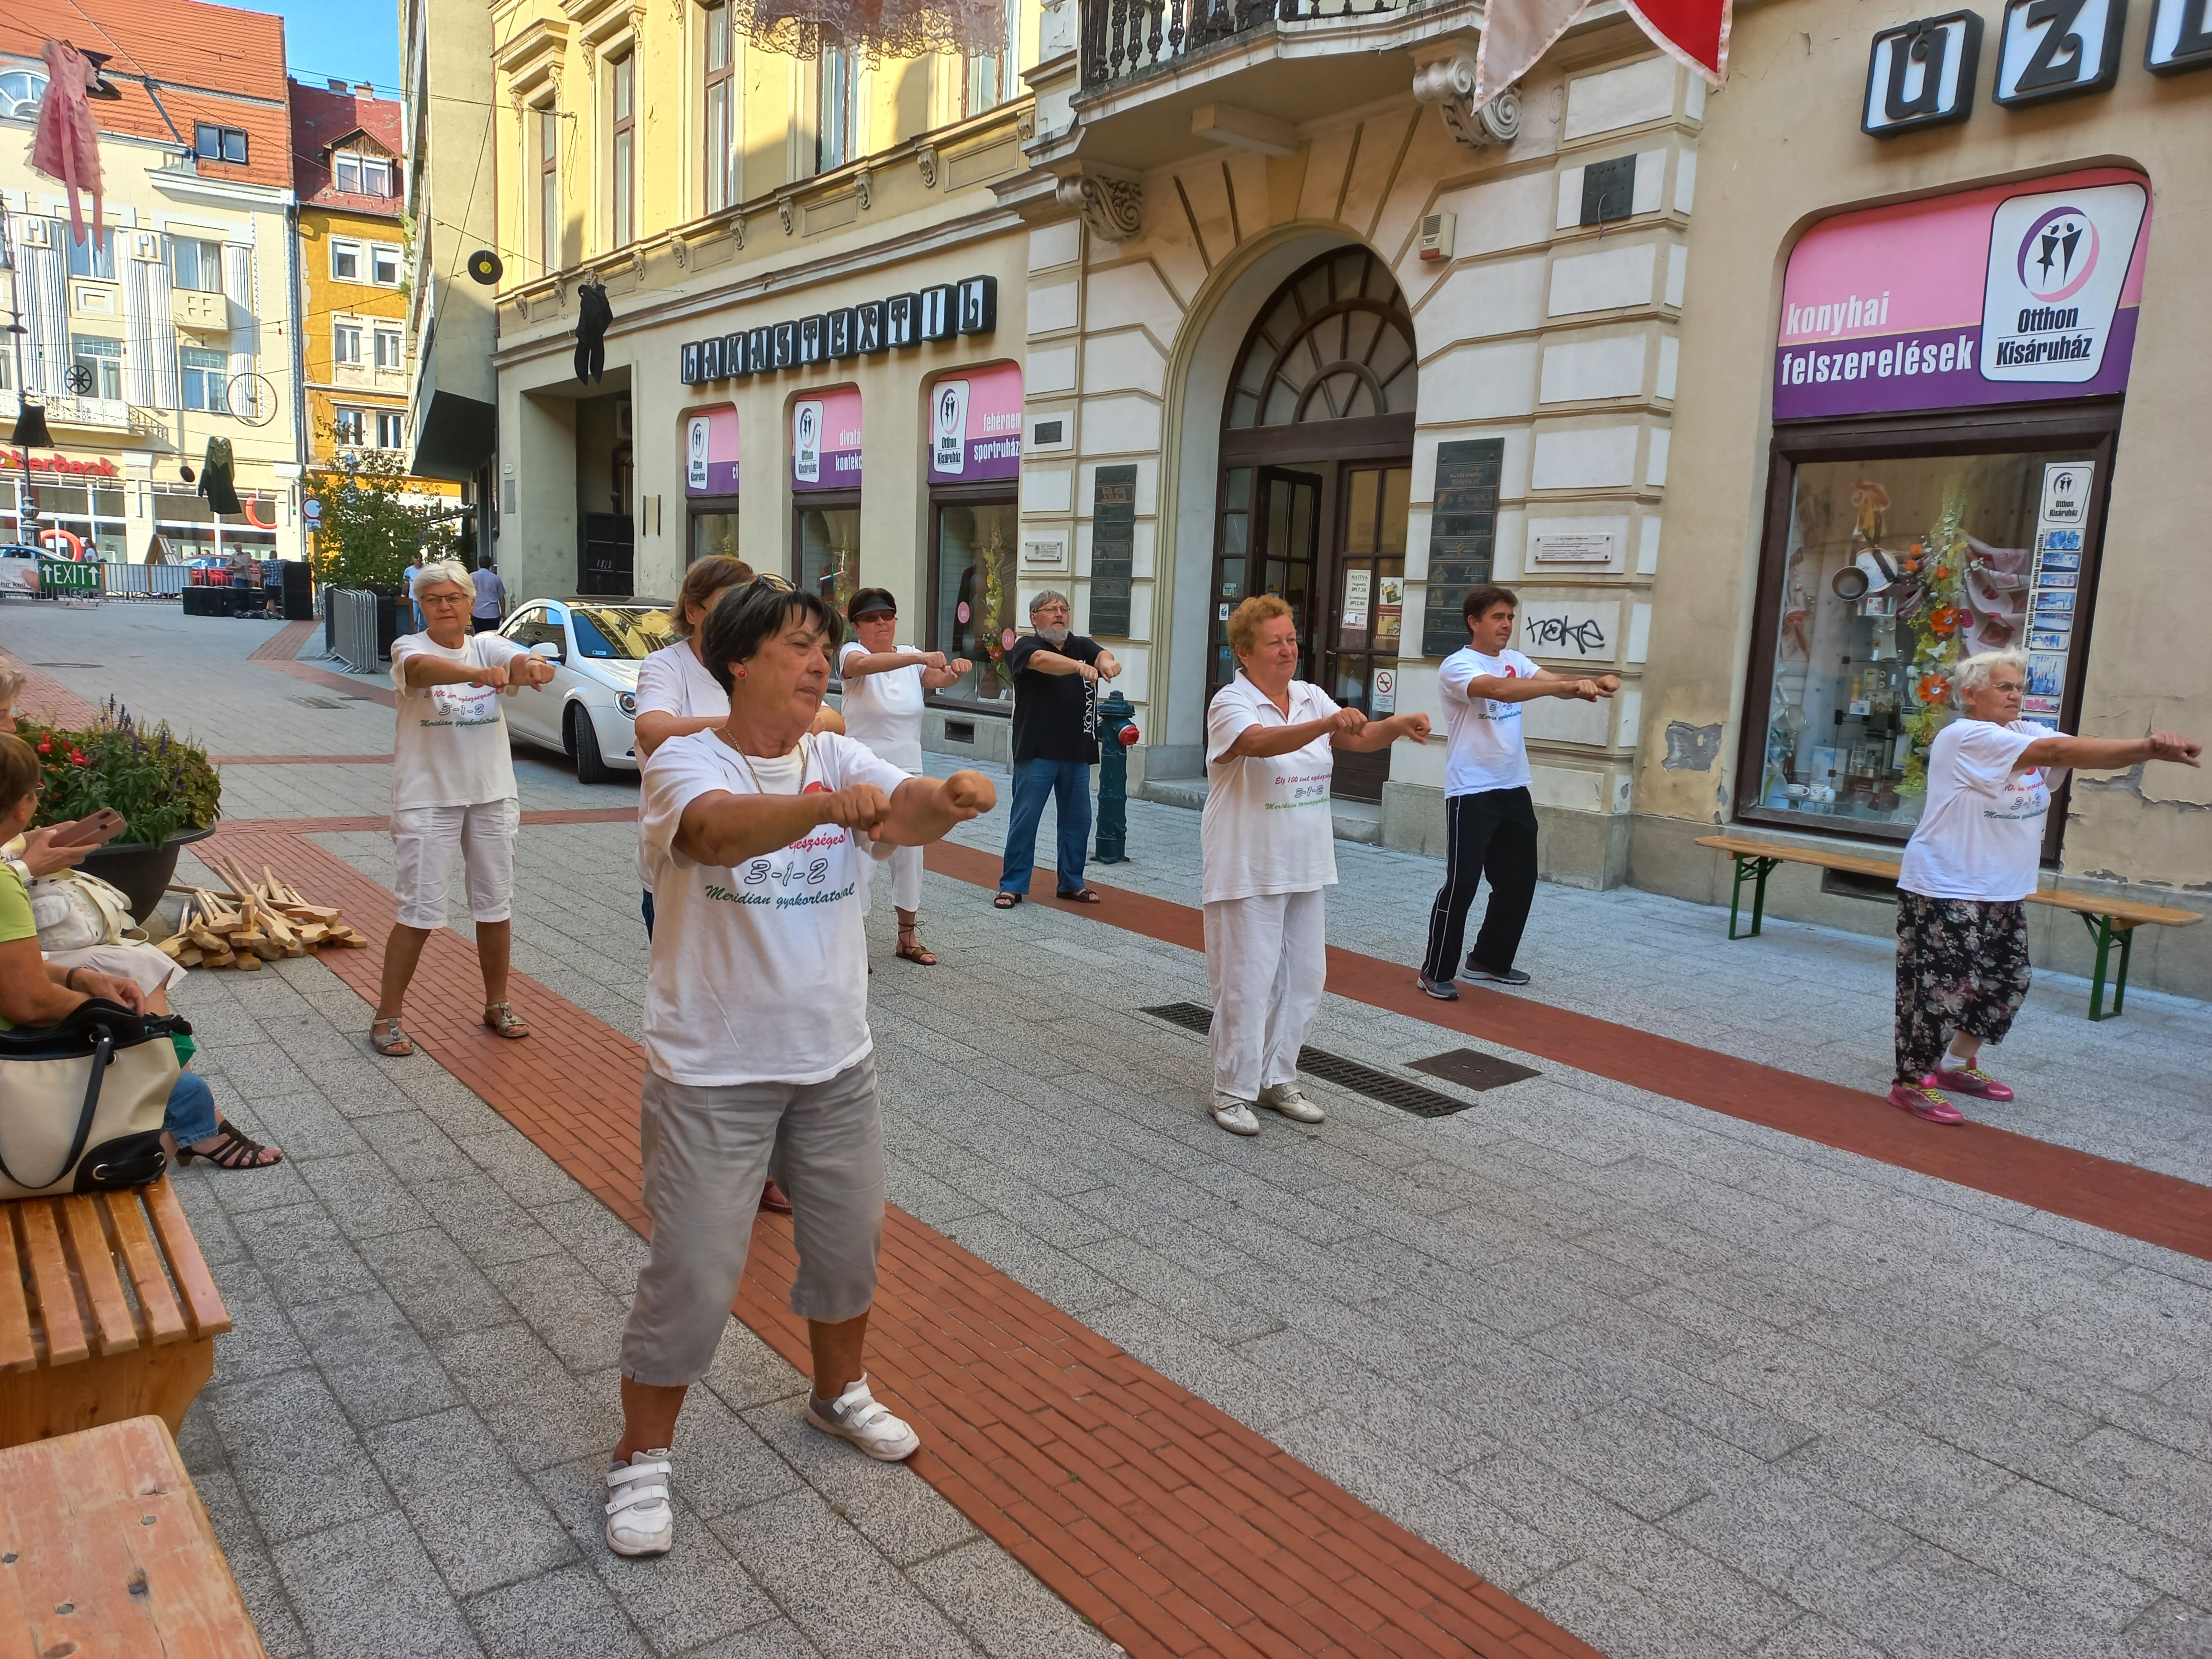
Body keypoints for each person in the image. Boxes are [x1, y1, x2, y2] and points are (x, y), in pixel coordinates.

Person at [608, 581, 995, 1557]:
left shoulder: (835, 751)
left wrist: (946, 800)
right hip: (711, 1068)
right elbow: (711, 833)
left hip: (833, 1060)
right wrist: (821, 810)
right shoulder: (686, 758)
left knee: (846, 1245)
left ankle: (837, 1393)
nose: (820, 661)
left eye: (824, 646)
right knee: (694, 1270)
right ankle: (641, 1455)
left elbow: (900, 809)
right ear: (736, 660)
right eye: (797, 645)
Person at [1888, 650, 2201, 1123]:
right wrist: (2149, 746)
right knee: (1944, 989)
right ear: (1970, 694)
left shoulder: (2024, 731)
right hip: (1947, 884)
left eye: (2019, 687)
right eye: (2004, 687)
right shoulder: (1965, 736)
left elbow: (2077, 750)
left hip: (2003, 888)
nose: (2016, 695)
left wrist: (2149, 751)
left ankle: (1953, 1065)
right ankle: (1912, 1081)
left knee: (2007, 981)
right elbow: (2057, 755)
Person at [1203, 597, 1429, 1135]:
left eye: (1291, 639)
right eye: (1275, 642)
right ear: (1244, 652)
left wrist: (1395, 724)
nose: (1288, 650)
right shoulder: (1231, 702)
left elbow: (1358, 735)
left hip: (1305, 863)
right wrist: (1325, 723)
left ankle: (1276, 1078)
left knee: (1305, 980)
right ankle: (1231, 1090)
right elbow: (1256, 744)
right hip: (1248, 866)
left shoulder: (1309, 696)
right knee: (1247, 984)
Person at [0, 733, 280, 1169]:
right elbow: (29, 1003)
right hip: (12, 1056)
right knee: (164, 1066)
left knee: (143, 996)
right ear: (23, 806)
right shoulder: (4, 886)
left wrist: (80, 979)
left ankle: (188, 1126)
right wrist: (112, 1016)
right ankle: (182, 1134)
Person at [632, 554, 795, 1216]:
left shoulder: (755, 661)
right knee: (697, 1022)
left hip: (764, 872)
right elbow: (650, 731)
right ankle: (687, 1164)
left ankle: (762, 1166)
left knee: (766, 1015)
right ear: (694, 609)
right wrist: (738, 732)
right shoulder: (667, 668)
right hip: (686, 875)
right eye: (730, 601)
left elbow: (821, 723)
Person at [370, 559, 557, 1057]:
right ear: (421, 606)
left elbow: (517, 661)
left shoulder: (487, 644)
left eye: (454, 598)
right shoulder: (409, 647)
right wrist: (478, 675)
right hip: (428, 797)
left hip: (492, 793)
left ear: (472, 603)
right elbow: (420, 672)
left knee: (496, 906)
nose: (445, 607)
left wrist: (533, 669)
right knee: (419, 912)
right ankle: (388, 1016)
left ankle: (498, 1004)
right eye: (433, 600)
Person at [1416, 585, 1617, 1000]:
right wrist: (1561, 687)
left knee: (1519, 880)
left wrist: (1588, 683)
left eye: (1510, 617)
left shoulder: (1516, 661)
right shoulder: (1458, 666)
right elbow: (1498, 690)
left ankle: (1488, 960)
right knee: (1463, 884)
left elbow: (1551, 683)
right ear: (1474, 622)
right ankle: (1435, 971)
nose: (1507, 624)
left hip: (1513, 786)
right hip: (1472, 789)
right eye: (1498, 617)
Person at [837, 587, 971, 965]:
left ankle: (907, 938)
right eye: (871, 618)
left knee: (911, 855)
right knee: (862, 857)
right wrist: (920, 656)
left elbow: (939, 677)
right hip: (863, 772)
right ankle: (851, 943)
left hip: (909, 771)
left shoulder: (911, 658)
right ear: (857, 626)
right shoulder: (851, 653)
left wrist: (957, 670)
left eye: (887, 616)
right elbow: (864, 667)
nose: (881, 623)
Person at [995, 591, 1119, 908]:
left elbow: (1101, 654)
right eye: (1051, 609)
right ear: (1035, 617)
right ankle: (1013, 885)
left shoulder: (1080, 645)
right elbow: (1042, 662)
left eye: (1064, 609)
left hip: (1077, 750)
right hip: (1038, 750)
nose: (1060, 614)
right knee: (1025, 820)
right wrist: (1079, 668)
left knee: (1078, 821)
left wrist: (1108, 663)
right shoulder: (1026, 646)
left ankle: (1072, 883)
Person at [470, 557, 508, 635]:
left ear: (479, 564)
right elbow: (501, 597)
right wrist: (503, 613)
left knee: (478, 636)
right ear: (490, 564)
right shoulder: (496, 578)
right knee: (492, 636)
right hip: (492, 613)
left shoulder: (472, 577)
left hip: (477, 613)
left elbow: (468, 593)